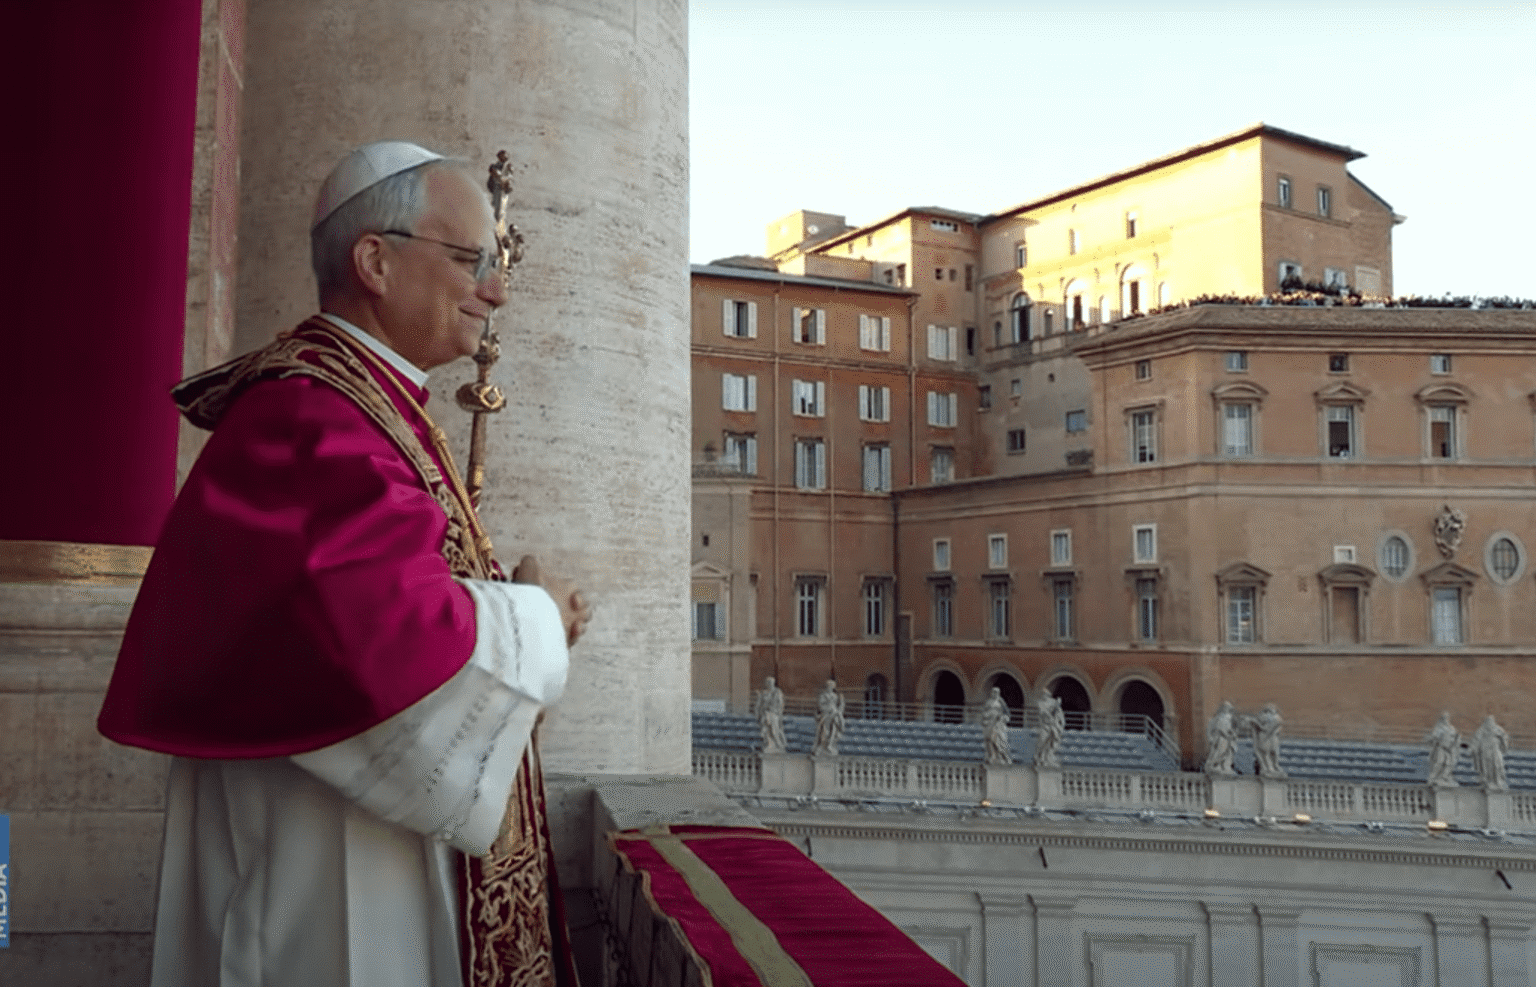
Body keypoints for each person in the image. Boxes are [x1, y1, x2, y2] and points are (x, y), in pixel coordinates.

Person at [97, 141, 592, 987]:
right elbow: (378, 640)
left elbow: (384, 586)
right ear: (375, 261)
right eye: (473, 260)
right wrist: (536, 616)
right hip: (321, 856)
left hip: (351, 830)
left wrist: (497, 602)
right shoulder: (313, 414)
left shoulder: (360, 399)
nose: (496, 291)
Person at [1470, 714, 1510, 792]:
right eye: (1488, 720)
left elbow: (1504, 738)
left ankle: (1498, 782)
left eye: (1491, 720)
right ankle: (1490, 782)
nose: (1490, 722)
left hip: (1495, 750)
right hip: (1485, 751)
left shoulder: (1498, 729)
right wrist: (1472, 749)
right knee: (1487, 766)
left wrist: (1502, 738)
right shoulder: (1481, 729)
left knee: (1498, 765)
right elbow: (1476, 740)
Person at [1424, 711, 1461, 788]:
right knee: (1439, 762)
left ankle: (1444, 777)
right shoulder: (1439, 728)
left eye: (1447, 717)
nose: (1446, 719)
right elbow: (1434, 737)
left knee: (1449, 764)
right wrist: (1431, 739)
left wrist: (1456, 740)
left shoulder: (1451, 728)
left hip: (1449, 749)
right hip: (1441, 748)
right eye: (1444, 717)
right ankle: (1433, 778)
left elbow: (1454, 737)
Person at [1252, 703, 1287, 779]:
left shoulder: (1277, 717)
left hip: (1273, 736)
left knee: (1274, 752)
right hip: (1264, 736)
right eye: (1269, 709)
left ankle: (1275, 765)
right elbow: (1260, 726)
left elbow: (1278, 726)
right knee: (1265, 752)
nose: (1271, 709)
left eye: (1272, 708)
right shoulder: (1262, 716)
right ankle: (1269, 767)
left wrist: (1274, 730)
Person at [981, 686, 1013, 766]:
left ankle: (1003, 757)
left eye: (996, 692)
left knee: (997, 740)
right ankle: (993, 756)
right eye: (993, 692)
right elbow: (984, 713)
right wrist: (986, 717)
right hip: (989, 724)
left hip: (998, 725)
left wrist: (1003, 718)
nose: (994, 694)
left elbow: (1007, 714)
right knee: (989, 740)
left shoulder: (1001, 702)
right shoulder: (988, 702)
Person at [1204, 701, 1237, 777]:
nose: (1227, 709)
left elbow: (1233, 729)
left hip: (1228, 738)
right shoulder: (1218, 718)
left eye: (1229, 708)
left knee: (1228, 752)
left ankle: (1226, 766)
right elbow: (1210, 728)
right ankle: (1214, 765)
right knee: (1220, 752)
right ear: (1223, 708)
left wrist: (1233, 734)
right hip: (1220, 738)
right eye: (1226, 708)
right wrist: (1210, 738)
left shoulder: (1231, 718)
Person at [755, 675, 787, 754]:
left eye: (771, 682)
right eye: (768, 682)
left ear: (773, 683)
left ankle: (777, 744)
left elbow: (780, 704)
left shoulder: (777, 692)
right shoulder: (763, 693)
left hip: (774, 714)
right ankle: (769, 743)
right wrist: (758, 712)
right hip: (766, 714)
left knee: (774, 730)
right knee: (766, 728)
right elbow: (758, 705)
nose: (769, 684)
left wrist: (775, 710)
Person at [813, 678, 845, 755]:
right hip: (826, 715)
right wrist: (828, 709)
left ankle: (830, 744)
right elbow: (820, 706)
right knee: (825, 730)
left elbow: (838, 707)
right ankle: (823, 745)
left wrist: (837, 710)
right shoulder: (823, 696)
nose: (830, 687)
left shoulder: (835, 696)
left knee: (834, 726)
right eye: (829, 686)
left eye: (832, 686)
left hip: (834, 714)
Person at [1033, 693, 1065, 769]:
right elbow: (1042, 714)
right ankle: (1038, 757)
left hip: (1052, 727)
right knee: (1042, 741)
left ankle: (1047, 758)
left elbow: (1061, 720)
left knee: (1052, 742)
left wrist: (1059, 726)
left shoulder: (1056, 708)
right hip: (1045, 727)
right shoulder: (1042, 705)